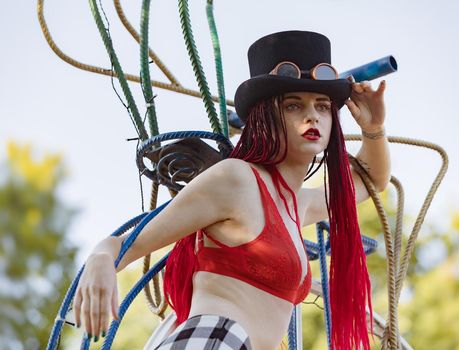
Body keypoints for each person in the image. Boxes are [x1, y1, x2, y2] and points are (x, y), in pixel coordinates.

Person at [73, 30, 391, 350]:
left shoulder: (298, 205)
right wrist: (101, 257)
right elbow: (126, 246)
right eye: (294, 105)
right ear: (266, 116)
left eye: (322, 106)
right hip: (214, 340)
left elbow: (371, 180)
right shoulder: (237, 180)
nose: (312, 115)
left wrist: (373, 129)